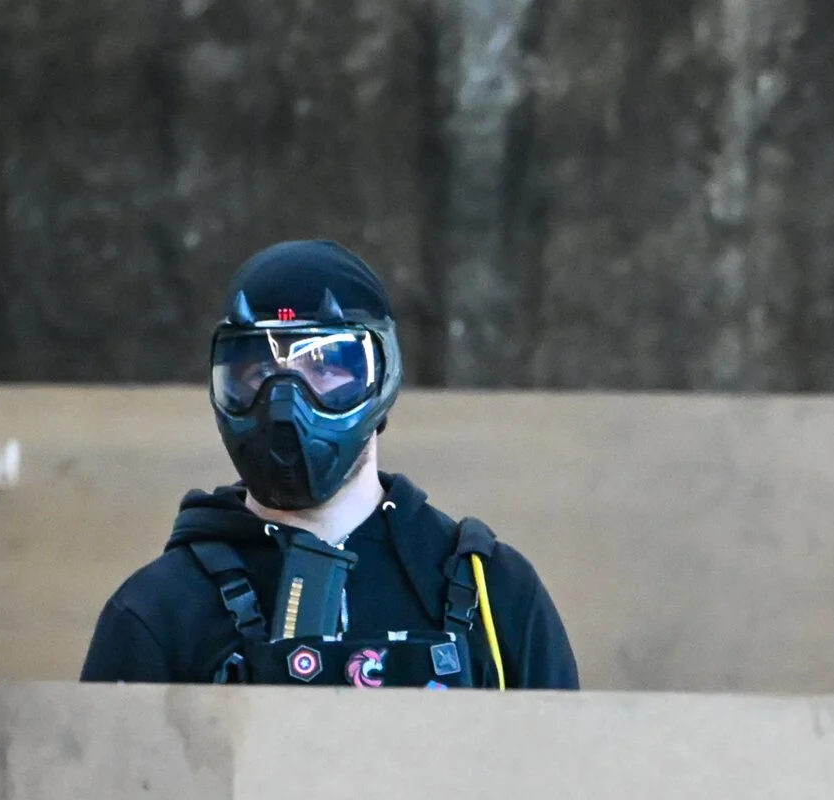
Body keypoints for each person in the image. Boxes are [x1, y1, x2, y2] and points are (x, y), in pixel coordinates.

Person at [82, 239, 578, 690]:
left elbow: (566, 759)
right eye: (257, 372)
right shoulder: (158, 611)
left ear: (381, 378)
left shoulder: (494, 593)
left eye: (321, 367)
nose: (284, 404)